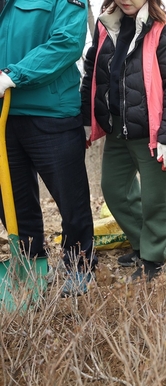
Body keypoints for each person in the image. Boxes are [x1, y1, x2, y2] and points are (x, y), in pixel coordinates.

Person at [81, 0, 166, 281]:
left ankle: (152, 257)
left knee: (157, 199)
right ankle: (143, 242)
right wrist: (86, 119)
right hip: (117, 127)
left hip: (152, 132)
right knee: (114, 190)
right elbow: (92, 72)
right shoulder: (106, 25)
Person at [0, 0, 96, 296]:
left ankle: (80, 266)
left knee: (71, 198)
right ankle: (31, 263)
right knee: (12, 200)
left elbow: (66, 43)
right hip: (4, 113)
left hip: (50, 111)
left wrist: (12, 75)